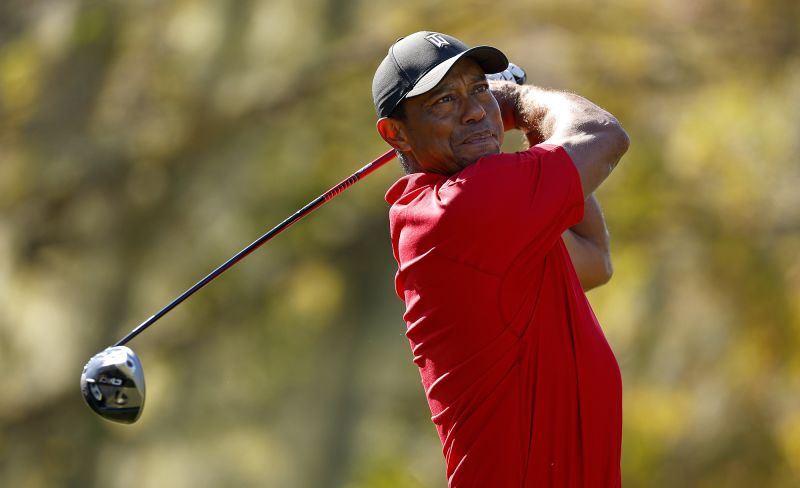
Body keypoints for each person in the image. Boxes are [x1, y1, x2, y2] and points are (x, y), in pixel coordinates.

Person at [372, 31, 630, 487]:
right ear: (397, 134)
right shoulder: (459, 213)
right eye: (443, 101)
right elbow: (602, 134)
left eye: (479, 90)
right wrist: (517, 99)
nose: (474, 110)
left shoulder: (500, 224)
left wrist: (527, 125)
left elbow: (594, 259)